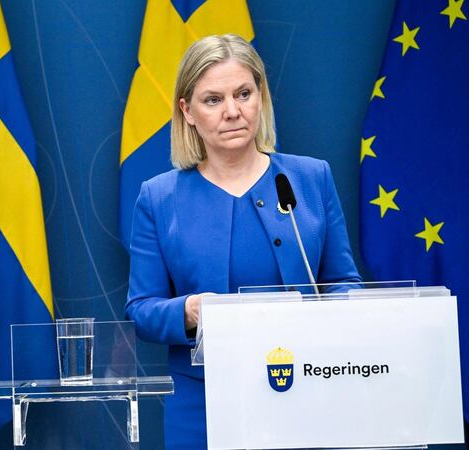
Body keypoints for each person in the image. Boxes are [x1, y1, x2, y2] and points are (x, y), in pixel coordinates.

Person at [125, 34, 361, 449]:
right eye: (213, 100)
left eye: (243, 94)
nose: (232, 111)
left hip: (307, 390)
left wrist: (335, 314)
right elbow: (142, 310)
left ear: (260, 98)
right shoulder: (158, 197)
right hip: (201, 404)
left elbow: (344, 281)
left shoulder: (311, 178)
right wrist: (191, 310)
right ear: (188, 111)